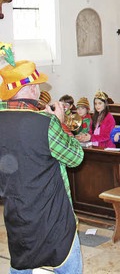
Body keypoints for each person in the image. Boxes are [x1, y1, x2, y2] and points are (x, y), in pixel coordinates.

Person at [0, 58, 84, 273]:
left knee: (21, 262)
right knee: (68, 265)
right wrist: (60, 122)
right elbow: (75, 157)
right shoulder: (45, 123)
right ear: (31, 89)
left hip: (16, 211)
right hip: (50, 213)